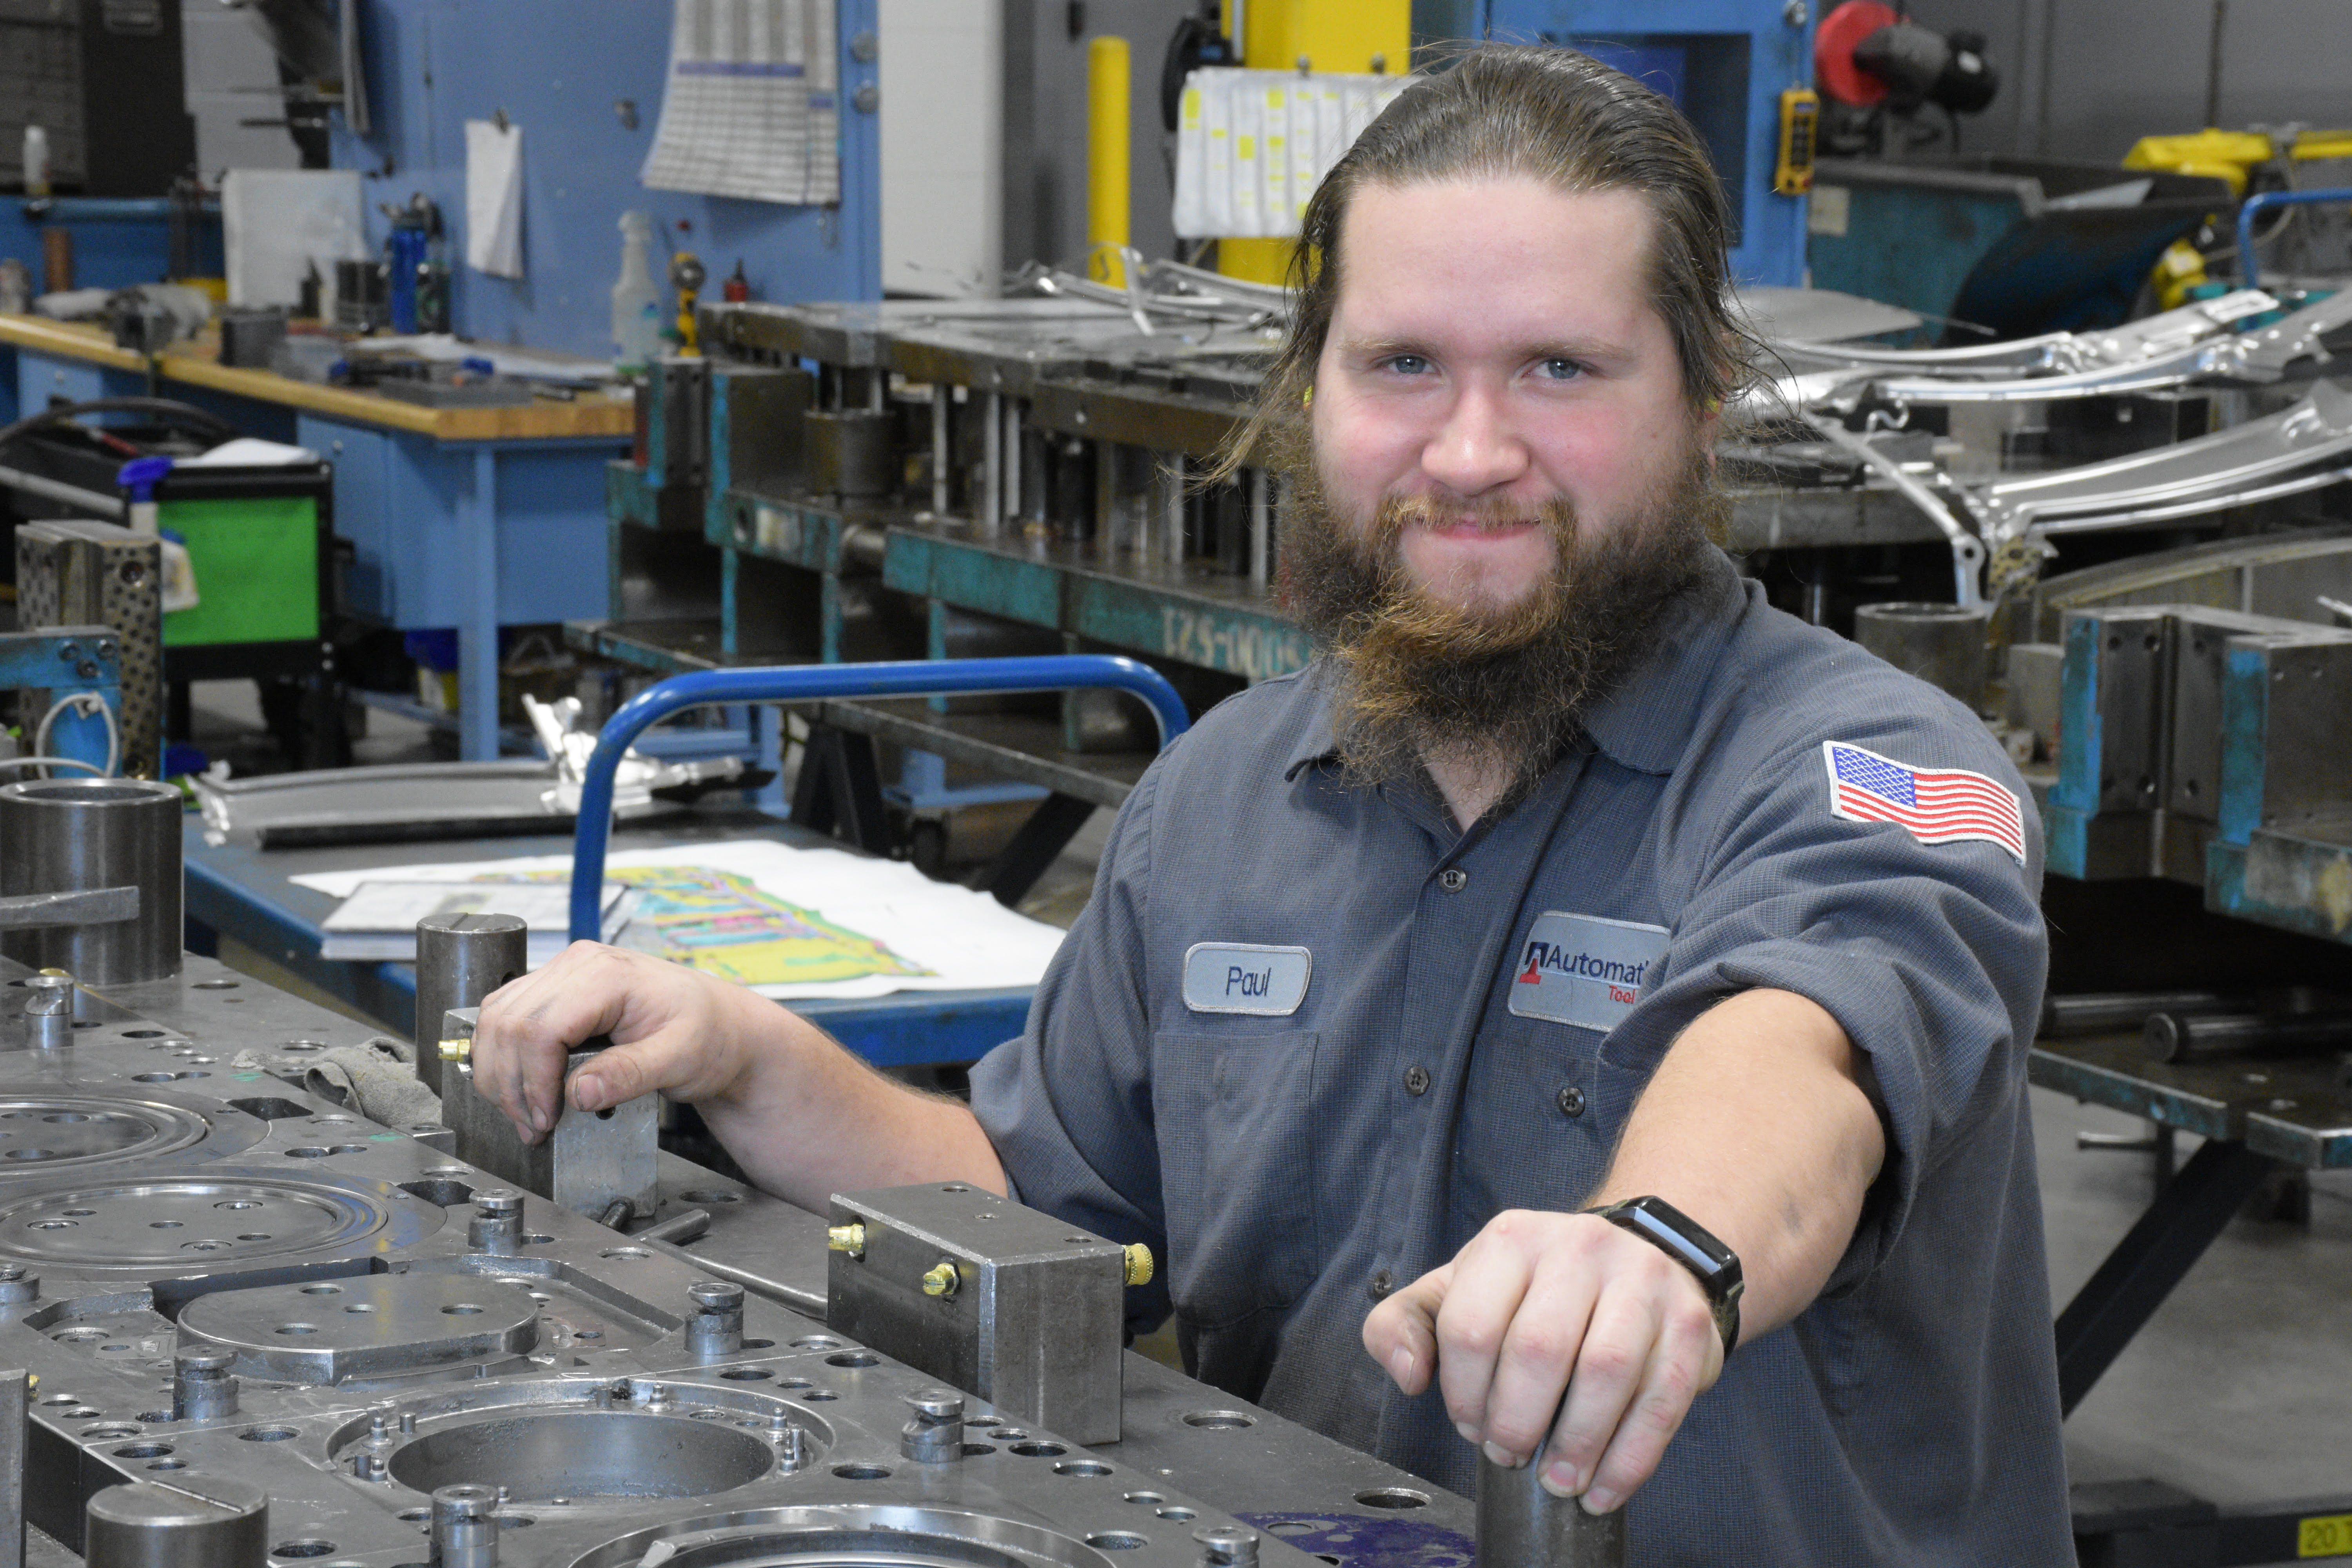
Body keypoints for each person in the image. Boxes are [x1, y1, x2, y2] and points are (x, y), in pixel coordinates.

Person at [470, 44, 2071, 1563]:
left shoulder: (1880, 770)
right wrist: (745, 1057)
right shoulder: (1226, 795)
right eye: (1403, 366)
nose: (1469, 448)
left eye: (1561, 368)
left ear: (1702, 400)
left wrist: (1662, 1246)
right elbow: (1039, 1202)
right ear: (1314, 392)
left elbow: (1804, 1053)